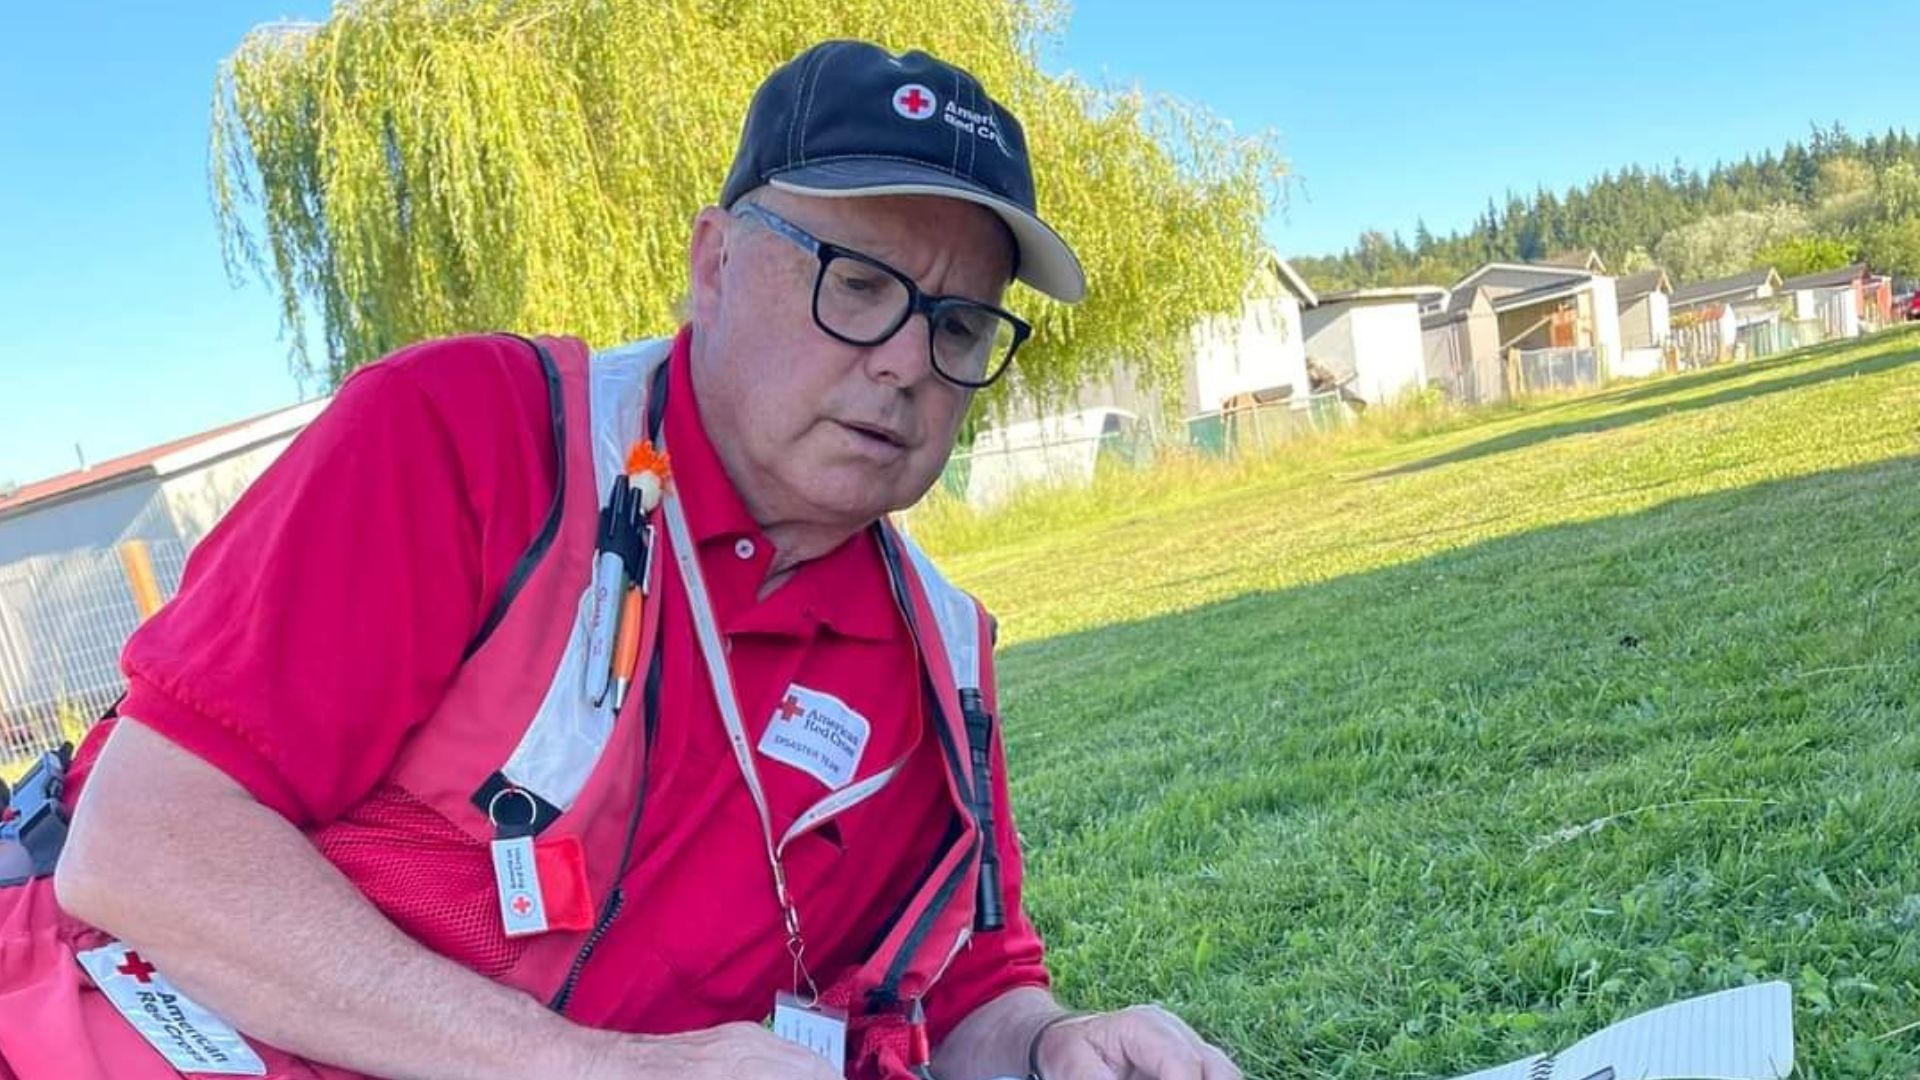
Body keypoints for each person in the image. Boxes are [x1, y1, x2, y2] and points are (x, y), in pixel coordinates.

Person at [0, 39, 1241, 1080]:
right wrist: (593, 1069)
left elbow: (972, 985)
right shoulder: (467, 438)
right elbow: (144, 844)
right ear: (711, 264)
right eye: (858, 284)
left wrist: (1055, 1044)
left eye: (960, 324)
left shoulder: (939, 656)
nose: (908, 362)